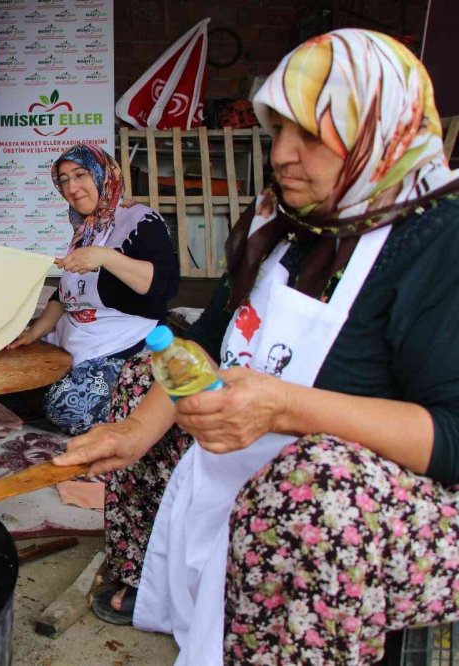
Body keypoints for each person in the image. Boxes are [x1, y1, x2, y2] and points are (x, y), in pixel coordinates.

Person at [53, 29, 459, 664]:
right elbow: (208, 342)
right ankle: (167, 585)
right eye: (277, 132)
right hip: (266, 435)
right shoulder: (283, 220)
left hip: (378, 496)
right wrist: (131, 432)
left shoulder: (438, 239)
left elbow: (452, 438)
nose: (284, 156)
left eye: (313, 135)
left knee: (312, 484)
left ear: (379, 131)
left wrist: (286, 408)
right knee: (142, 380)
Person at [8, 144, 179, 435]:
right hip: (77, 338)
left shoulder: (139, 220)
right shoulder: (86, 228)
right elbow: (64, 294)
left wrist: (105, 257)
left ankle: (144, 411)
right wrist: (33, 333)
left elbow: (165, 284)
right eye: (64, 180)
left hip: (125, 344)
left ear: (103, 175)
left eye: (80, 175)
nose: (72, 187)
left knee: (66, 406)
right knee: (13, 378)